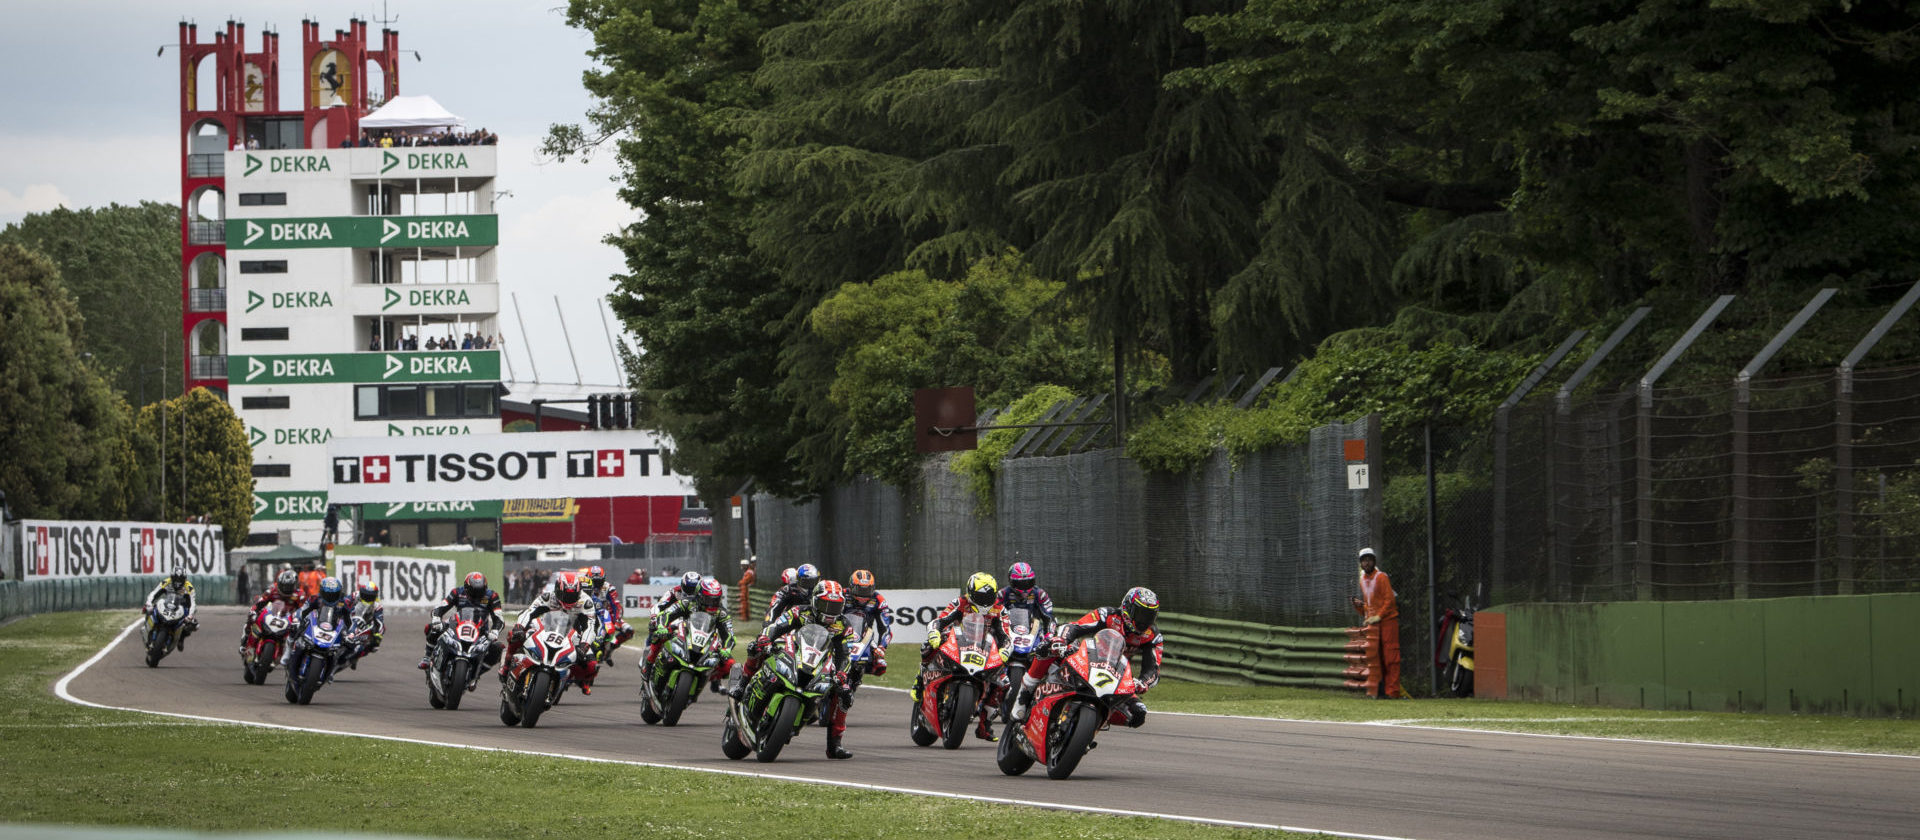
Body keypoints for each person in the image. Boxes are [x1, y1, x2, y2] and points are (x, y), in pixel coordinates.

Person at [728, 581, 855, 759]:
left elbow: (846, 653)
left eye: (835, 606)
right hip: (791, 650)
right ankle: (743, 683)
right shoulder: (801, 612)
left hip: (821, 663)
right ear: (815, 602)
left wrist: (842, 675)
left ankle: (834, 745)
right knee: (757, 647)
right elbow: (777, 626)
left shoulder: (843, 625)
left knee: (845, 695)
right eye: (825, 604)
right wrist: (766, 638)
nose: (829, 611)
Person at [1009, 586, 1161, 730]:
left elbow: (1153, 670)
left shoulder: (1153, 637)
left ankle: (1095, 723)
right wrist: (1062, 639)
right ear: (1128, 608)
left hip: (1116, 674)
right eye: (1141, 614)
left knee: (1138, 713)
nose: (1144, 621)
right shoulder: (1106, 615)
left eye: (1150, 616)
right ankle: (1025, 692)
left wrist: (1143, 683)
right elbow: (1076, 626)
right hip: (1087, 658)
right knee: (1049, 647)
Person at [915, 572, 1008, 741]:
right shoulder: (960, 602)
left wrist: (1005, 649)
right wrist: (934, 632)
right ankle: (920, 679)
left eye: (989, 596)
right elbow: (939, 620)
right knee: (928, 645)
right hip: (957, 640)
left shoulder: (999, 610)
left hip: (984, 648)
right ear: (971, 592)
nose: (985, 600)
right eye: (981, 596)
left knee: (1004, 682)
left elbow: (1006, 635)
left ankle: (984, 725)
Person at [642, 577, 736, 688]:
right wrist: (662, 626)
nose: (712, 604)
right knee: (659, 636)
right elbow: (667, 613)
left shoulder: (722, 613)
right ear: (700, 596)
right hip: (683, 633)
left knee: (730, 664)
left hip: (707, 641)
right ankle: (648, 667)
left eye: (715, 600)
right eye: (708, 600)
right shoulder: (688, 603)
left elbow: (729, 634)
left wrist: (727, 648)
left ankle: (712, 680)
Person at [503, 571, 595, 683]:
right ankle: (506, 666)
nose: (568, 599)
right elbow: (529, 612)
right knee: (514, 635)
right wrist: (519, 627)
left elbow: (590, 627)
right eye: (565, 595)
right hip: (545, 627)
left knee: (591, 665)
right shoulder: (548, 597)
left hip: (572, 634)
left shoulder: (585, 603)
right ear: (557, 590)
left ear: (579, 592)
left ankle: (568, 679)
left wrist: (584, 646)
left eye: (572, 596)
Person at [419, 572, 505, 670]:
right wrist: (436, 618)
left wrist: (495, 631)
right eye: (473, 591)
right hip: (456, 625)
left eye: (480, 591)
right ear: (466, 587)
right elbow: (441, 607)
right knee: (431, 628)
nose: (476, 595)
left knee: (498, 648)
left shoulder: (492, 596)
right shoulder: (457, 592)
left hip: (480, 631)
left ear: (485, 588)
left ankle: (476, 674)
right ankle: (427, 657)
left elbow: (499, 618)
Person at [1351, 547, 1403, 699]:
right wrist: (1360, 606)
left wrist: (1379, 616)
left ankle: (1392, 693)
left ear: (1374, 561)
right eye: (1364, 560)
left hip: (1387, 622)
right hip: (1373, 624)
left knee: (1391, 657)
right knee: (1375, 659)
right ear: (1360, 563)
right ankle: (1379, 692)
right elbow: (1369, 605)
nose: (1367, 563)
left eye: (1369, 560)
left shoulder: (1381, 577)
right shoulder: (1362, 580)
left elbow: (1389, 600)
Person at [282, 576, 351, 669]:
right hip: (315, 623)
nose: (330, 597)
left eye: (333, 594)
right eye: (327, 594)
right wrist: (297, 619)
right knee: (295, 629)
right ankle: (288, 651)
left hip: (333, 629)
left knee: (344, 647)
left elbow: (349, 620)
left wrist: (351, 633)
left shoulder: (344, 603)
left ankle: (331, 669)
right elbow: (302, 610)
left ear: (339, 593)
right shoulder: (315, 598)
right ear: (321, 592)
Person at [843, 568, 892, 681]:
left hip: (865, 636)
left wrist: (881, 648)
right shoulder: (842, 594)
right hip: (841, 630)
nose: (863, 595)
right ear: (851, 587)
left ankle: (861, 671)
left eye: (867, 590)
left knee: (880, 663)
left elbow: (885, 629)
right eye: (860, 590)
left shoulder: (878, 600)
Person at [243, 570, 304, 656]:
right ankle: (245, 640)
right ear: (279, 583)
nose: (286, 589)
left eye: (289, 587)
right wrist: (254, 610)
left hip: (287, 618)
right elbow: (261, 601)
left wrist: (300, 620)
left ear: (294, 585)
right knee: (252, 618)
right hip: (271, 614)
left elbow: (303, 610)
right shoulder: (272, 589)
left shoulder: (299, 595)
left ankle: (290, 653)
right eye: (284, 586)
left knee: (299, 631)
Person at [998, 560, 1056, 641]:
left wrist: (1048, 636)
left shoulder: (1040, 594)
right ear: (1012, 582)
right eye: (1021, 584)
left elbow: (1049, 618)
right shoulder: (1002, 594)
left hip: (1034, 634)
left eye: (1028, 582)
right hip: (1008, 634)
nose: (1025, 588)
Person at [143, 572, 198, 650]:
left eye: (180, 580)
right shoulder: (166, 581)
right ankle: (148, 627)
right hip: (168, 603)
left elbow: (193, 603)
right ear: (172, 577)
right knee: (151, 609)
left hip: (182, 606)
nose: (178, 582)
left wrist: (190, 615)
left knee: (193, 624)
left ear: (184, 579)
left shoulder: (189, 587)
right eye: (176, 579)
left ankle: (181, 639)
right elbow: (154, 592)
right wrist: (148, 603)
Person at [343, 582, 385, 666]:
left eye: (370, 596)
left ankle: (356, 657)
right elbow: (345, 602)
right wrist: (346, 608)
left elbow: (380, 622)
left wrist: (378, 635)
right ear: (361, 592)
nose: (367, 598)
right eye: (365, 595)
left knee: (373, 645)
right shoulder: (355, 595)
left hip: (365, 624)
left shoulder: (377, 605)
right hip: (351, 619)